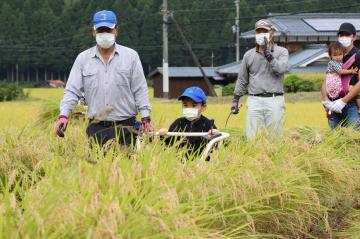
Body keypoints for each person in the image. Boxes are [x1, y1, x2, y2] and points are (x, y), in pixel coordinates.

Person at [54, 10, 152, 148]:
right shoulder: (83, 59)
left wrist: (145, 117)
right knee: (98, 168)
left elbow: (140, 89)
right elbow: (72, 91)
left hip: (127, 127)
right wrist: (63, 116)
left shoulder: (131, 57)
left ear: (116, 30)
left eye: (108, 30)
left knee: (126, 168)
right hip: (96, 128)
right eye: (101, 30)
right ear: (93, 32)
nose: (105, 34)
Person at [230, 19, 289, 139]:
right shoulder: (249, 55)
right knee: (252, 137)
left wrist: (270, 57)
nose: (261, 34)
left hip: (274, 99)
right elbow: (242, 79)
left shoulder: (282, 52)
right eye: (259, 32)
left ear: (272, 32)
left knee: (275, 137)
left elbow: (281, 69)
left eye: (265, 31)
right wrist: (236, 99)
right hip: (254, 100)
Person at [158, 86, 219, 159]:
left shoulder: (208, 124)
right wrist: (163, 135)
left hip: (201, 164)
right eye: (185, 105)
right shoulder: (178, 123)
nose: (189, 108)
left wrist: (216, 135)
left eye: (194, 105)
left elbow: (216, 146)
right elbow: (167, 145)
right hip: (178, 163)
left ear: (203, 107)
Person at [321, 22, 360, 129]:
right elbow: (327, 80)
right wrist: (326, 100)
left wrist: (343, 101)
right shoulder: (335, 55)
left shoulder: (358, 56)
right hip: (334, 105)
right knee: (334, 141)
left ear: (354, 37)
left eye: (347, 35)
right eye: (341, 35)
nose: (344, 37)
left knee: (352, 139)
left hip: (352, 105)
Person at [324, 42, 359, 112]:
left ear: (343, 54)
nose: (338, 57)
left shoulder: (340, 62)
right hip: (332, 82)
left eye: (340, 54)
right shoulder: (332, 63)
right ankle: (331, 106)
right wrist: (351, 71)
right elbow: (340, 71)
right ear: (330, 56)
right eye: (335, 55)